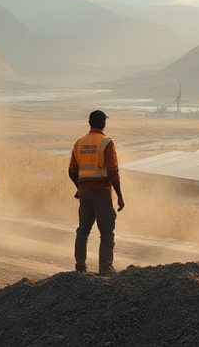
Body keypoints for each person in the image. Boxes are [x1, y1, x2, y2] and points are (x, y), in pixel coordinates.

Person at [68, 109, 124, 275]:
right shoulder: (106, 142)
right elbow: (113, 172)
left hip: (85, 195)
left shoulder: (79, 143)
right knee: (107, 234)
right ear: (104, 123)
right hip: (101, 195)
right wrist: (120, 196)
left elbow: (71, 171)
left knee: (83, 231)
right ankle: (105, 269)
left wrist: (80, 187)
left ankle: (80, 267)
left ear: (89, 123)